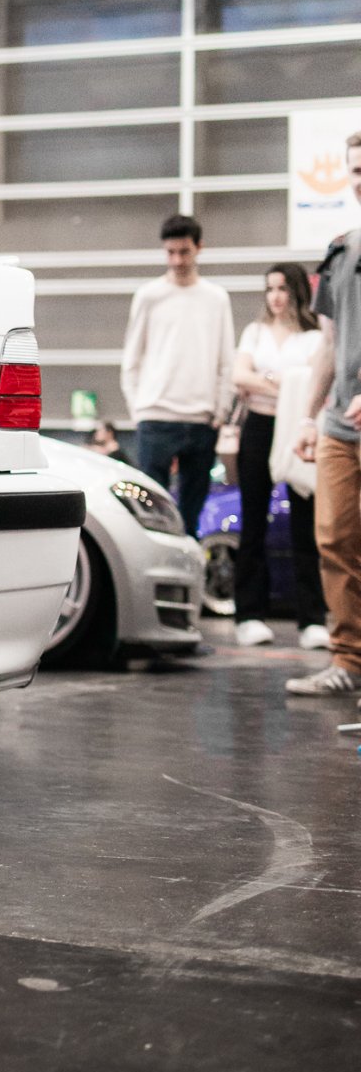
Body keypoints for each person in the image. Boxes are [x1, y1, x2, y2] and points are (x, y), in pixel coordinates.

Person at [287, 134, 361, 705]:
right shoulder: (342, 250)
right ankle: (348, 661)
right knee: (334, 538)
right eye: (355, 170)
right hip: (341, 423)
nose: (360, 180)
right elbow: (328, 344)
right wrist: (309, 417)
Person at [230, 263, 328, 649]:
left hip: (297, 428)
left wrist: (266, 381)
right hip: (258, 426)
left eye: (283, 288)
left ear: (298, 291)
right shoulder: (255, 332)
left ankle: (312, 619)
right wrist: (288, 382)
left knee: (305, 524)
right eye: (270, 288)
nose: (275, 296)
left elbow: (316, 383)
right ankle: (249, 614)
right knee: (252, 521)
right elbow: (239, 376)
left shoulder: (314, 337)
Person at [121, 213, 235, 537]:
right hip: (156, 416)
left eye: (184, 252)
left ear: (199, 248)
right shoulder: (149, 295)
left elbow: (226, 359)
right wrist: (139, 410)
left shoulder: (216, 298)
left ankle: (190, 567)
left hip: (201, 419)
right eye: (170, 252)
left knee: (191, 516)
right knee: (152, 515)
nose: (177, 260)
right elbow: (132, 358)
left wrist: (220, 410)